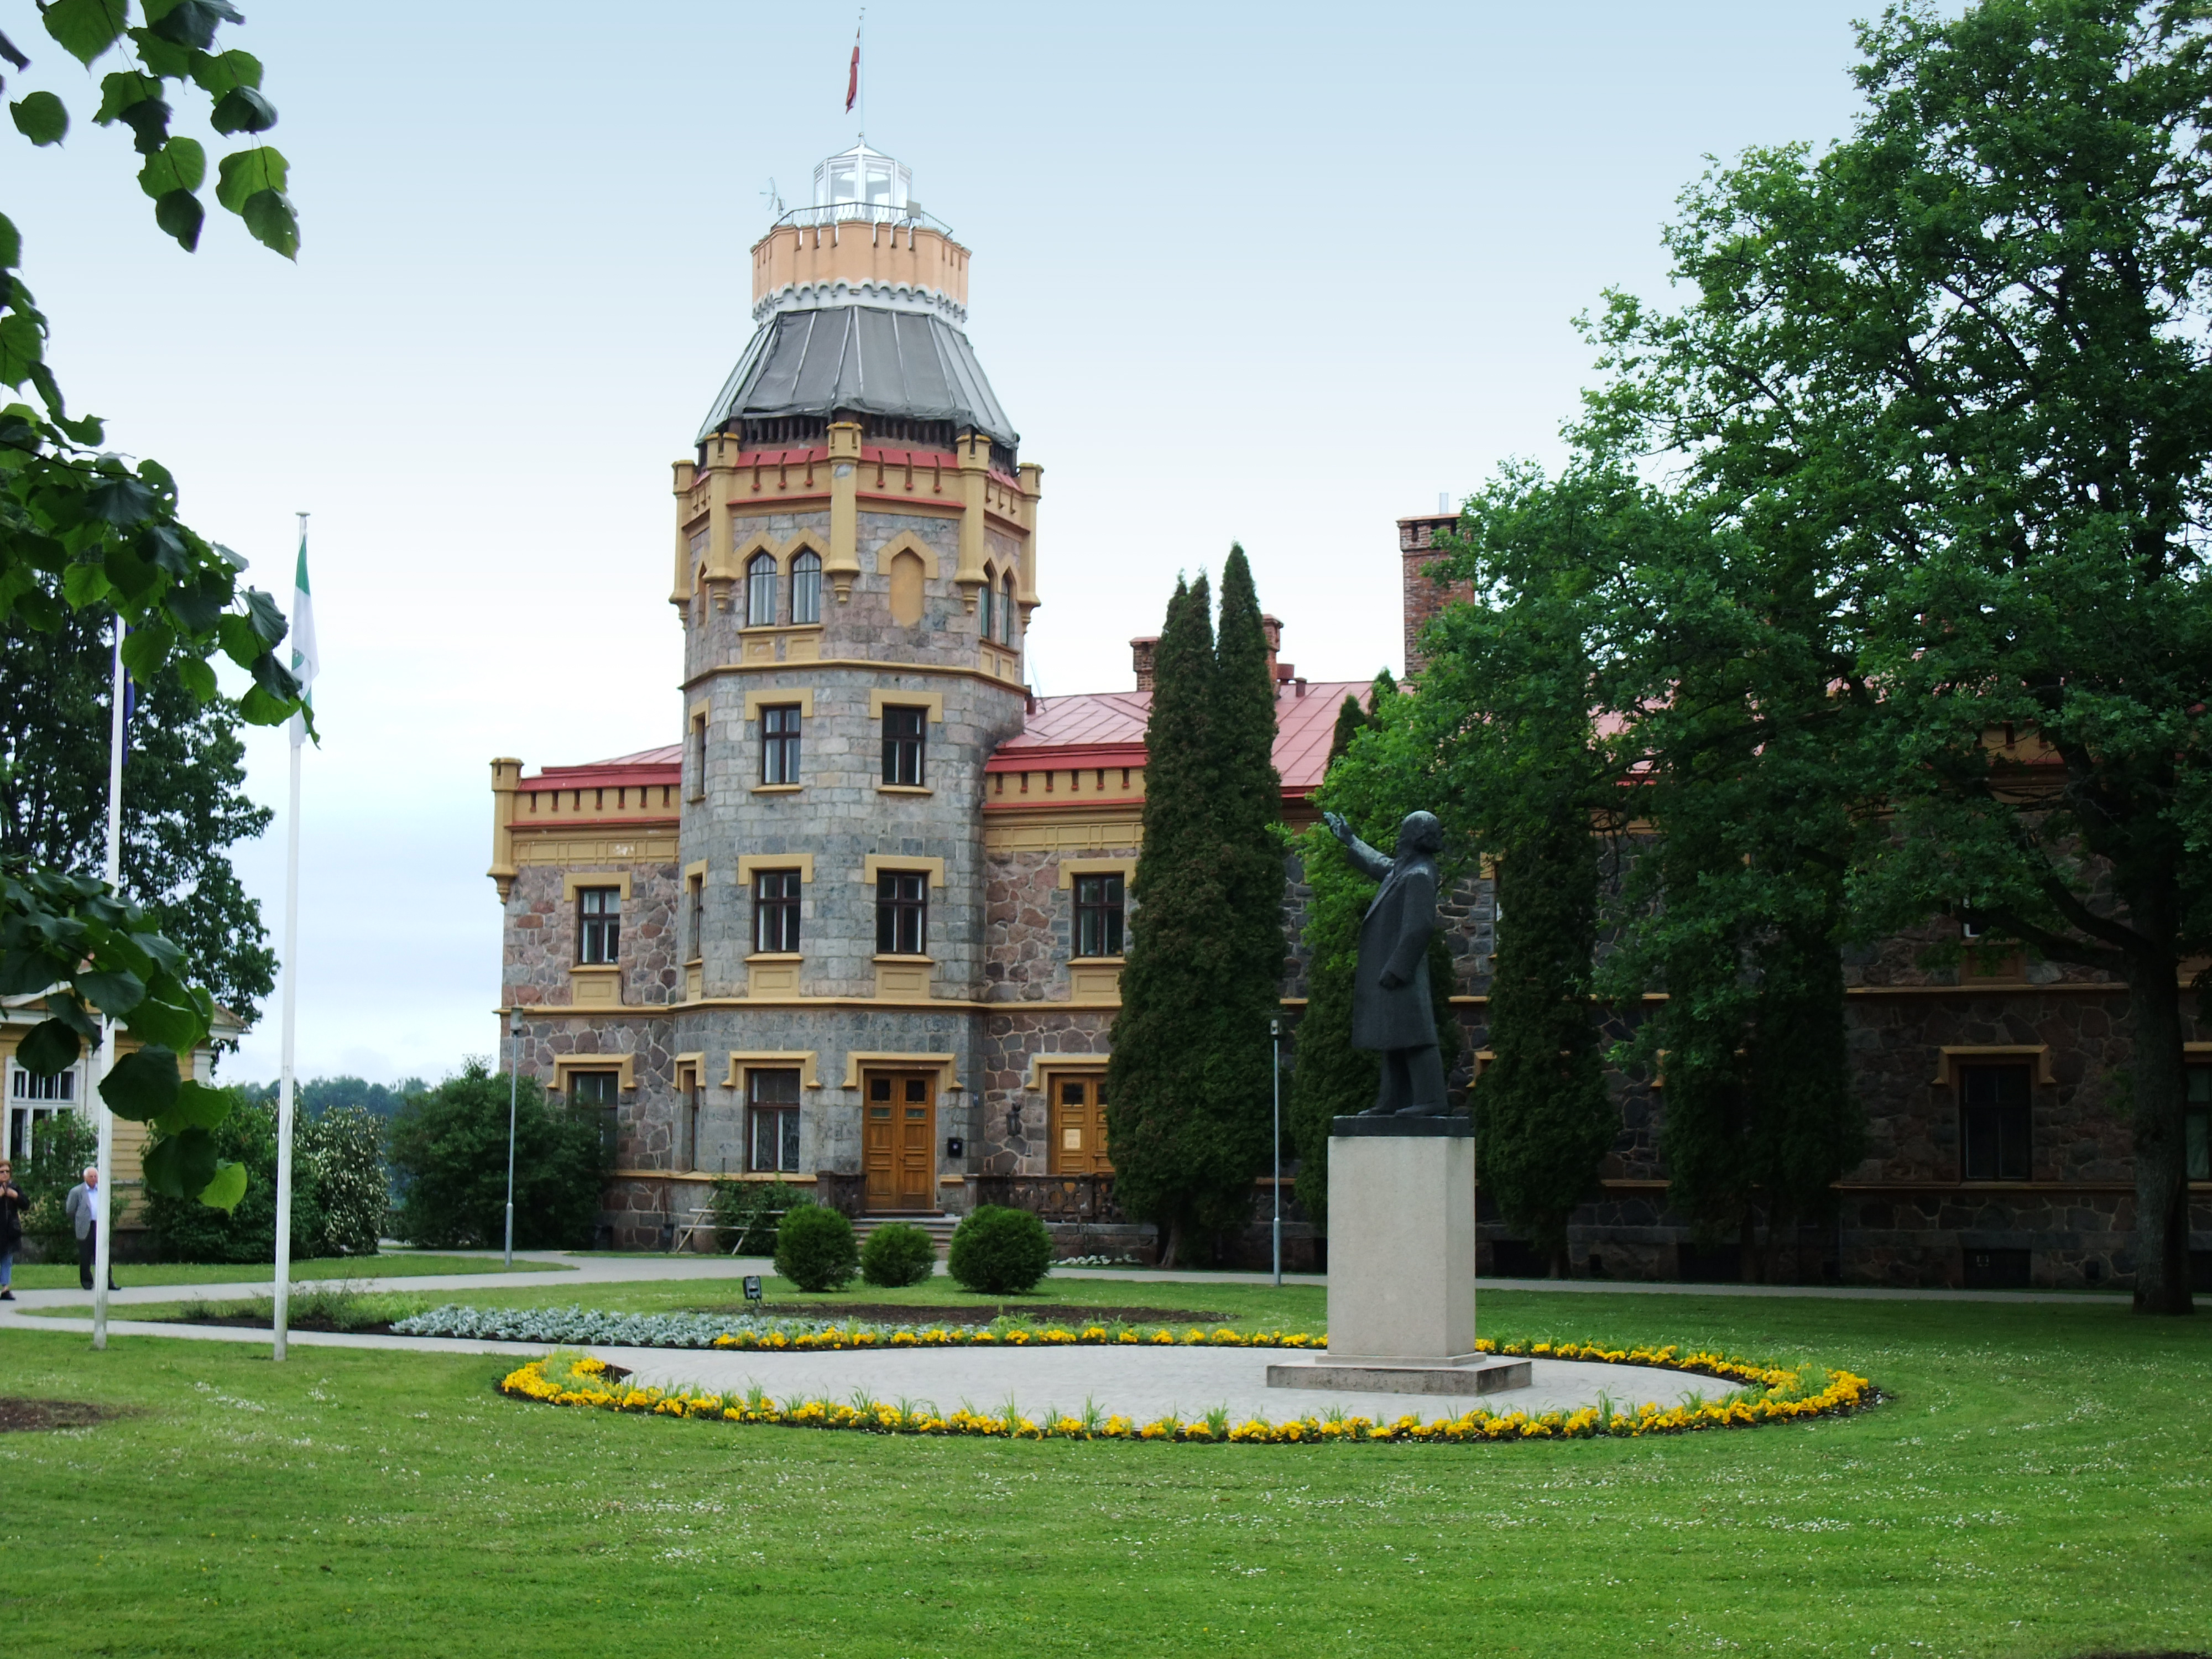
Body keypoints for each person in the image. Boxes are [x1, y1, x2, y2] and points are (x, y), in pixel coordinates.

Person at [1323, 808, 1450, 1116]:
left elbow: (1419, 927)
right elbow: (1379, 864)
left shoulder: (1419, 875)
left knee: (1416, 1034)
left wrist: (1397, 968)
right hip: (1394, 971)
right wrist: (1351, 840)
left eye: (1403, 832)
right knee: (1395, 1033)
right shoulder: (1404, 870)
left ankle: (1432, 1100)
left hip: (1401, 971)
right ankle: (1393, 1099)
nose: (1397, 838)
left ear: (1414, 839)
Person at [64, 1165, 117, 1292]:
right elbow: (70, 1210)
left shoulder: (102, 1190)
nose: (94, 1179)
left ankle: (108, 1282)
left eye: (95, 1176)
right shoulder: (77, 1192)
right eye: (91, 1176)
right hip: (85, 1226)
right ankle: (87, 1282)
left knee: (104, 1255)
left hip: (99, 1225)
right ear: (85, 1178)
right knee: (85, 1256)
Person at [0, 1159, 22, 1300]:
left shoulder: (14, 1187)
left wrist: (17, 1197)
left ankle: (6, 1289)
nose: (5, 1174)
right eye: (2, 1172)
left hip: (10, 1231)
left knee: (7, 1260)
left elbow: (26, 1204)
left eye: (8, 1172)